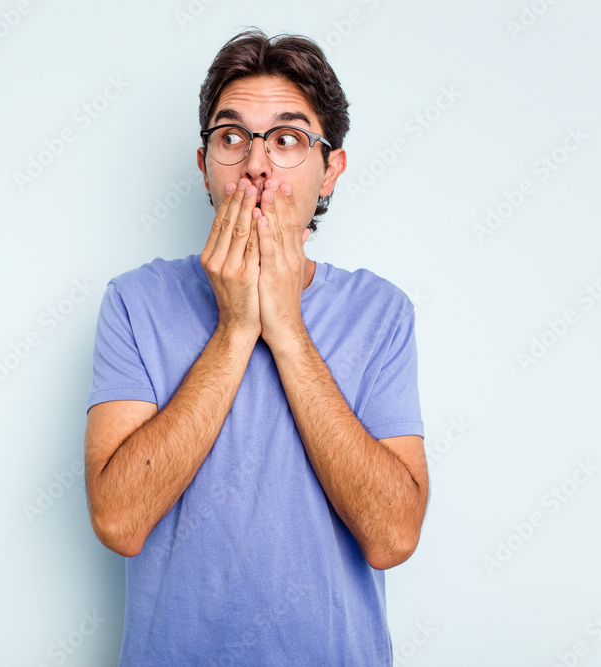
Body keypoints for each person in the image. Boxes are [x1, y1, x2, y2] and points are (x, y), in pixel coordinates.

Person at [83, 27, 428, 666]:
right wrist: (237, 328)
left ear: (331, 171)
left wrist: (287, 330)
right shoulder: (135, 301)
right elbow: (119, 523)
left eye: (289, 139)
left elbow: (392, 536)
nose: (258, 165)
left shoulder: (382, 314)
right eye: (232, 137)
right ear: (205, 166)